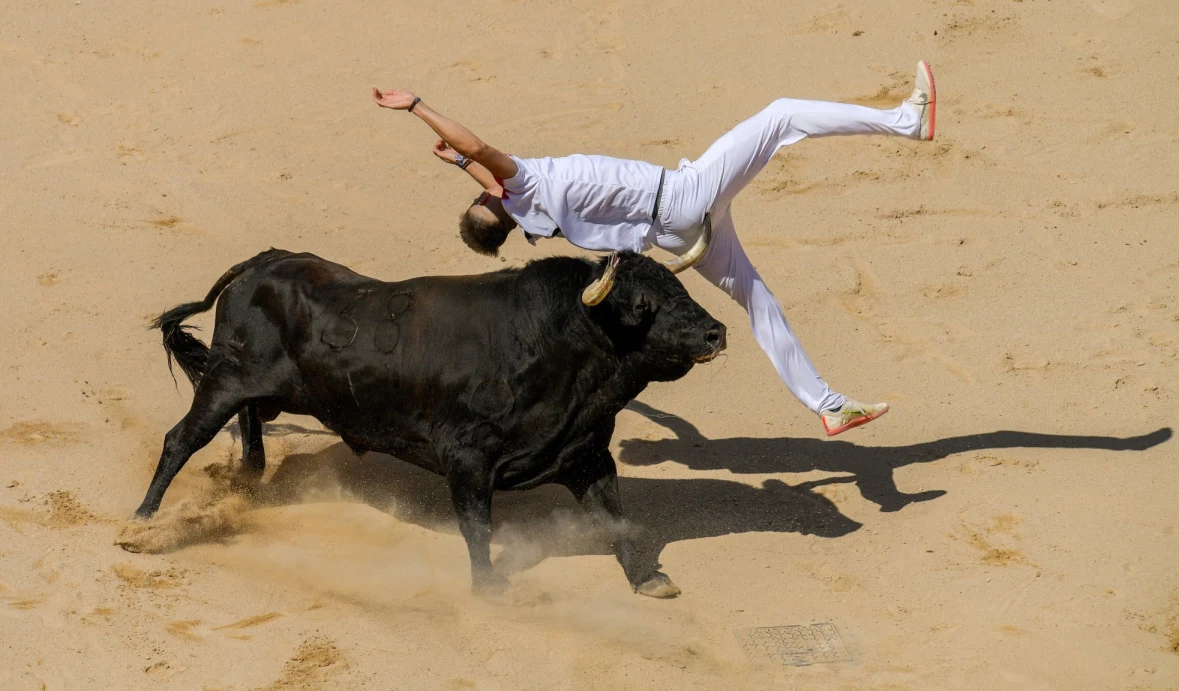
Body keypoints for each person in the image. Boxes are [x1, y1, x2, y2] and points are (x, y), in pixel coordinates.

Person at [372, 61, 936, 436]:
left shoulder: (531, 216)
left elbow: (480, 175)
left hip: (678, 234)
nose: (484, 183)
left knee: (758, 300)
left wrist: (462, 164)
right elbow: (480, 147)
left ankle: (827, 406)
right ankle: (906, 123)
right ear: (497, 200)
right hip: (686, 196)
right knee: (783, 114)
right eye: (484, 193)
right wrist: (418, 106)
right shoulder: (525, 184)